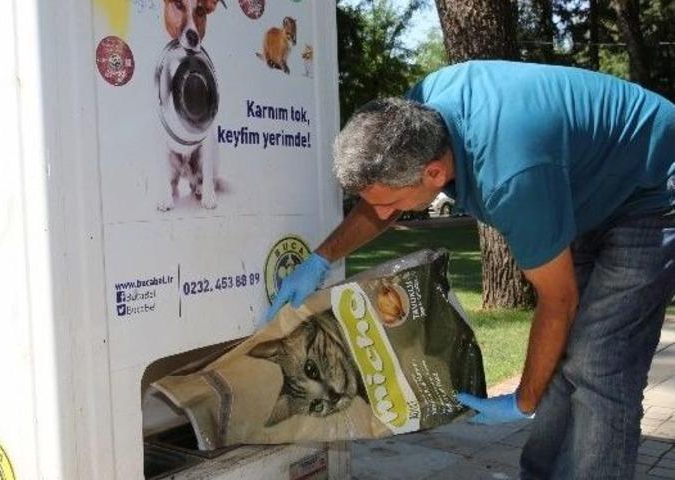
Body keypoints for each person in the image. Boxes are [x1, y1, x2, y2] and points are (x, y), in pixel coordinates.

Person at [266, 60, 674, 479]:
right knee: (565, 354)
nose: (384, 214)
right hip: (587, 190)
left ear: (434, 173)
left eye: (391, 202)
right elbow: (382, 203)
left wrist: (523, 401)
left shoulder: (510, 177)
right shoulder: (408, 121)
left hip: (654, 189)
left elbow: (559, 300)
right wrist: (321, 258)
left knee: (600, 366)